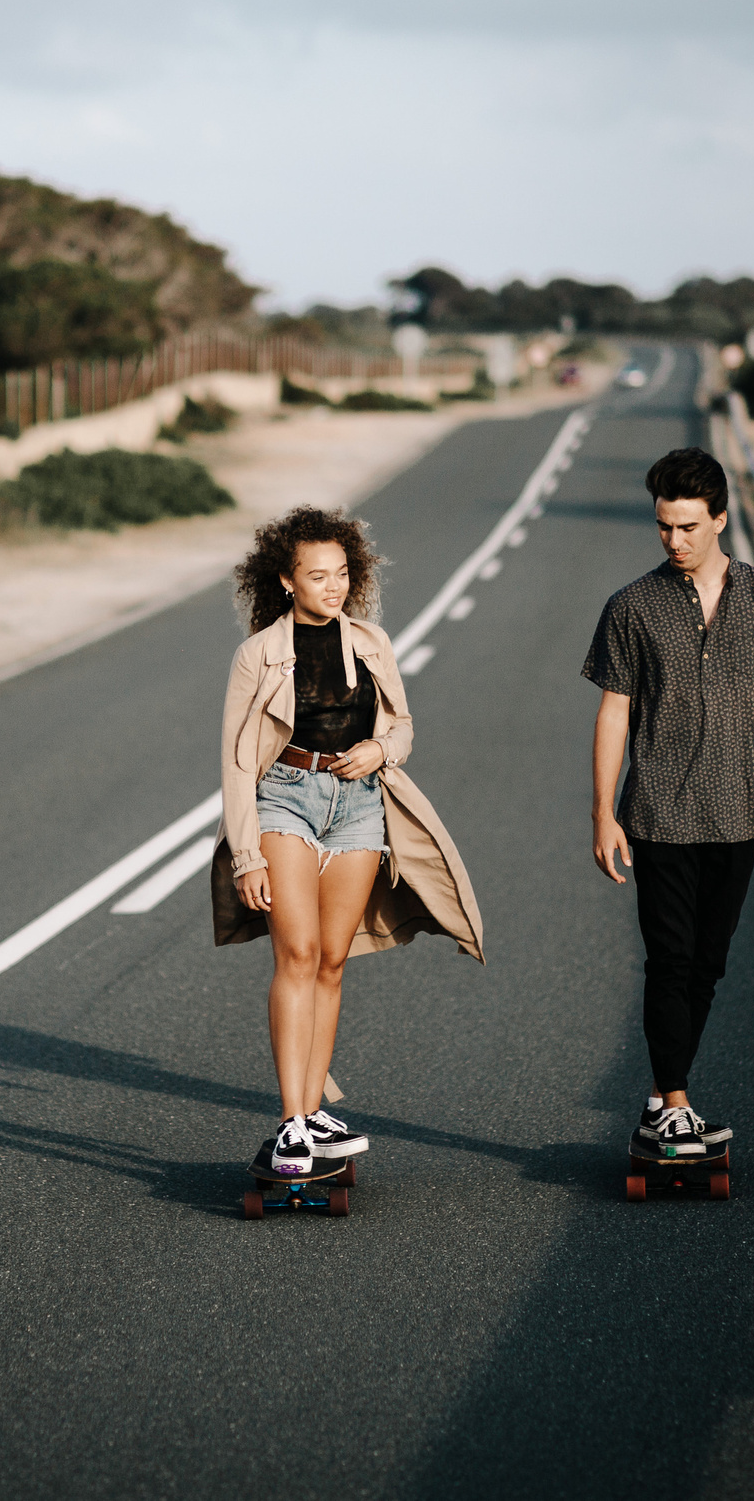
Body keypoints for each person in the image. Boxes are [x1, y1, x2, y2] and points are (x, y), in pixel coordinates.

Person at [213, 506, 484, 1180]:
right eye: (316, 575)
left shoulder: (370, 642)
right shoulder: (258, 655)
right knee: (297, 952)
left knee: (333, 959)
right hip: (286, 795)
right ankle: (290, 1124)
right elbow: (236, 762)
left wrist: (379, 747)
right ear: (285, 580)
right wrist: (246, 855)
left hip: (359, 805)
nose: (332, 587)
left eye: (341, 574)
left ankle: (311, 1114)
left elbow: (404, 727)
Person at [582, 447, 754, 1160]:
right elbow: (614, 712)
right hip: (657, 811)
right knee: (670, 959)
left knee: (708, 962)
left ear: (720, 518)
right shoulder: (631, 606)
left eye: (687, 526)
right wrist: (603, 812)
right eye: (664, 527)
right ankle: (675, 1100)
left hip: (745, 811)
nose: (674, 540)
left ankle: (662, 1102)